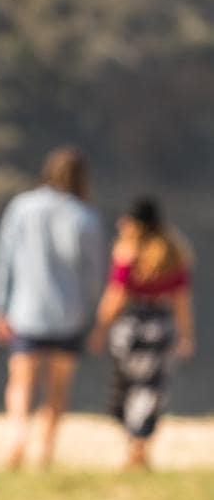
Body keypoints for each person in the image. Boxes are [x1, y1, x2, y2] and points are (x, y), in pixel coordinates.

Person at [0, 147, 105, 469]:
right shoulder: (86, 216)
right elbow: (93, 273)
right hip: (70, 315)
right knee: (58, 387)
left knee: (21, 382)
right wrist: (93, 312)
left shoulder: (22, 207)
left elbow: (4, 260)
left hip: (25, 311)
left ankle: (18, 436)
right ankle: (45, 451)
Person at [89, 197, 195, 470]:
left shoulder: (128, 254)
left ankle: (133, 443)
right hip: (161, 326)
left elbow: (116, 296)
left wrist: (100, 328)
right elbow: (181, 301)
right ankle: (140, 444)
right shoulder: (174, 254)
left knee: (126, 386)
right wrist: (185, 335)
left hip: (130, 328)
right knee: (151, 388)